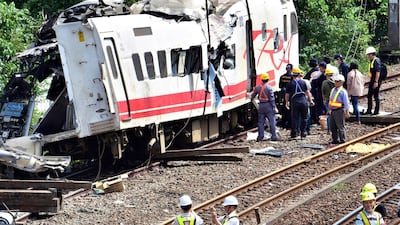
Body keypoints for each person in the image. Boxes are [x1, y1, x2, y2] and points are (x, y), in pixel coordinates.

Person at [285, 67, 314, 139]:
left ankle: (294, 134)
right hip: (303, 101)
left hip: (295, 102)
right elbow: (307, 92)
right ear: (299, 74)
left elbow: (287, 95)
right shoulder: (303, 82)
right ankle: (303, 133)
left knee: (295, 118)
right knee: (304, 118)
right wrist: (311, 101)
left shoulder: (290, 84)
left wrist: (286, 102)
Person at [251, 73, 278, 141]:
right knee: (272, 121)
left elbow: (252, 96)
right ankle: (274, 136)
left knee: (261, 122)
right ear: (268, 79)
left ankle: (260, 137)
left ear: (262, 79)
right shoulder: (269, 88)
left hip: (261, 105)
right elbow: (272, 99)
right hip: (268, 105)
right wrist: (274, 107)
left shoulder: (257, 87)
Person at [328, 74, 350, 144]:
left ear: (341, 82)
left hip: (339, 110)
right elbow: (330, 100)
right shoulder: (333, 90)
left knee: (340, 126)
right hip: (333, 110)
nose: (335, 83)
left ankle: (342, 140)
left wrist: (347, 112)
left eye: (337, 81)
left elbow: (346, 102)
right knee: (333, 126)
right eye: (335, 81)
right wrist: (329, 109)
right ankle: (335, 139)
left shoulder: (343, 91)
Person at [364, 46, 382, 115]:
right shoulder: (372, 61)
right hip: (373, 80)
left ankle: (376, 111)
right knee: (369, 96)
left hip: (376, 81)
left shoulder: (376, 61)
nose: (367, 56)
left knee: (376, 96)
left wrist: (376, 82)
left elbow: (378, 72)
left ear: (372, 54)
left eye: (368, 54)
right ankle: (369, 110)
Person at [277, 64, 293, 129]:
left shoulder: (282, 77)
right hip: (291, 96)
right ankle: (289, 124)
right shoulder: (292, 77)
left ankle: (284, 123)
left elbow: (280, 86)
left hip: (284, 96)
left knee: (284, 110)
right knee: (290, 110)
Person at [321, 68, 335, 133]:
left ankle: (329, 130)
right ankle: (335, 129)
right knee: (335, 114)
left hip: (328, 100)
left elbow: (323, 92)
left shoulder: (324, 82)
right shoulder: (336, 82)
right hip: (335, 100)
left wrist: (323, 100)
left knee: (329, 114)